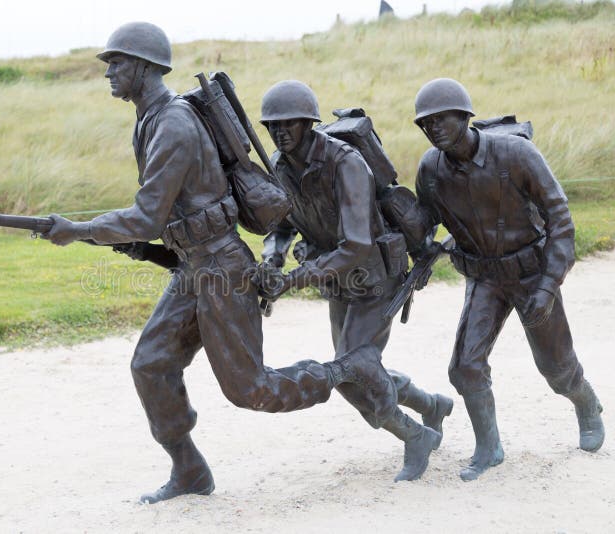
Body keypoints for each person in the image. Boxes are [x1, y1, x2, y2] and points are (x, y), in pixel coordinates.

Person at [43, 22, 384, 504]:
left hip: (222, 268)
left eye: (116, 63)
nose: (109, 73)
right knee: (152, 363)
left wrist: (76, 230)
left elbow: (145, 215)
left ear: (144, 67)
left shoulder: (175, 124)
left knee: (252, 391)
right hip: (193, 265)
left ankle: (344, 370)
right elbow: (163, 215)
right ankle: (189, 471)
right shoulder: (149, 120)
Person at [411, 77, 605, 481]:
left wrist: (549, 285)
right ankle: (489, 448)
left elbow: (560, 220)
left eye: (443, 118)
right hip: (484, 277)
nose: (435, 128)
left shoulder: (516, 153)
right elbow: (423, 223)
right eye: (426, 123)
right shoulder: (430, 169)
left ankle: (585, 403)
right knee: (465, 367)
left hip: (533, 274)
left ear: (465, 116)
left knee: (556, 368)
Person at [257, 80, 450, 482]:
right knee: (351, 374)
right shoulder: (280, 165)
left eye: (288, 124)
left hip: (375, 275)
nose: (279, 132)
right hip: (338, 282)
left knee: (350, 367)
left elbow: (358, 244)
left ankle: (415, 435)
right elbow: (279, 223)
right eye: (272, 125)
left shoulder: (345, 163)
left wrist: (295, 280)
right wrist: (272, 258)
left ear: (308, 123)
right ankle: (428, 404)